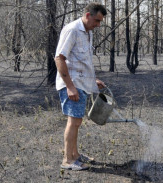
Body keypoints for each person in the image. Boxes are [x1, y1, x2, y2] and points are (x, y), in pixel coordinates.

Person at [54, 3, 107, 171]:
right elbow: (59, 58)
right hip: (72, 85)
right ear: (87, 15)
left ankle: (75, 155)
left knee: (77, 122)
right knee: (73, 121)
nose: (98, 25)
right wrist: (70, 87)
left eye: (100, 22)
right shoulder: (72, 30)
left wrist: (93, 80)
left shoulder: (87, 32)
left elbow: (81, 62)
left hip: (81, 83)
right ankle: (67, 160)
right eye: (97, 20)